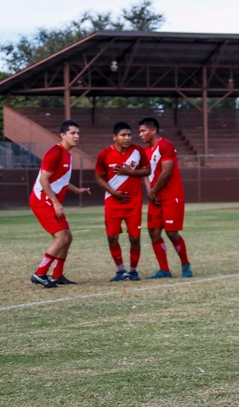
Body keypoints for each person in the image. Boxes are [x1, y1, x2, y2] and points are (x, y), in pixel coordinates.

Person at [29, 120, 91, 288]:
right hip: (42, 200)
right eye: (72, 133)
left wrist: (77, 190)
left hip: (50, 200)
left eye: (78, 133)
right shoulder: (55, 152)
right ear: (63, 135)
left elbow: (60, 180)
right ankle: (40, 273)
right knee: (61, 237)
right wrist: (56, 202)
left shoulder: (68, 154)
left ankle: (57, 275)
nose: (76, 136)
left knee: (67, 238)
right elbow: (43, 179)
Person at [95, 122, 150, 282]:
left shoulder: (138, 151)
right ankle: (120, 270)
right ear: (114, 137)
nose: (127, 138)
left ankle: (133, 270)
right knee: (112, 237)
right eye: (123, 135)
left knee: (135, 238)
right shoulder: (104, 154)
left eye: (129, 135)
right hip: (112, 202)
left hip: (134, 203)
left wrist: (131, 172)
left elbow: (148, 170)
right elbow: (98, 177)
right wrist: (113, 193)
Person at [138, 117, 192, 279]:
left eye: (143, 131)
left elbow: (166, 172)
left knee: (171, 232)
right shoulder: (145, 152)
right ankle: (164, 270)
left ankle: (185, 264)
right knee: (153, 232)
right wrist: (150, 192)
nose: (140, 134)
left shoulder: (166, 145)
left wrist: (153, 190)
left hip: (171, 196)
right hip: (155, 197)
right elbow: (146, 174)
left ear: (153, 131)